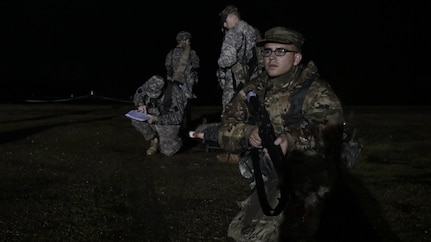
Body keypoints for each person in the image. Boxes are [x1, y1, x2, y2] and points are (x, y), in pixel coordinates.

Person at [217, 26, 345, 241]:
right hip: (273, 174)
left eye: (280, 51)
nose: (272, 58)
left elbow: (332, 130)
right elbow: (224, 130)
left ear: (297, 58)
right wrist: (247, 133)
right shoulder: (254, 89)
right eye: (267, 51)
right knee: (241, 232)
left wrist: (291, 139)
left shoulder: (315, 90)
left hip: (309, 174)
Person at [130, 75, 187, 156]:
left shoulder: (176, 93)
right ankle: (154, 140)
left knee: (168, 151)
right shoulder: (149, 85)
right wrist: (140, 104)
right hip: (152, 116)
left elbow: (178, 118)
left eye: (155, 93)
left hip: (167, 122)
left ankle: (180, 137)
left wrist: (157, 119)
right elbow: (138, 94)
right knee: (136, 120)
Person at [216, 5, 257, 117]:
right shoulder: (253, 31)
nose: (224, 25)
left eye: (225, 21)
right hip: (253, 78)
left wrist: (219, 62)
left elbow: (227, 60)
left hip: (235, 81)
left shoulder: (232, 33)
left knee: (229, 112)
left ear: (232, 17)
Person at [165, 31, 200, 129]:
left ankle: (175, 129)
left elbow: (168, 67)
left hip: (174, 85)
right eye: (188, 40)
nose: (190, 42)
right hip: (187, 87)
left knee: (174, 109)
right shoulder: (191, 53)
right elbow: (197, 65)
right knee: (186, 110)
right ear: (184, 40)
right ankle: (186, 131)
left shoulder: (171, 53)